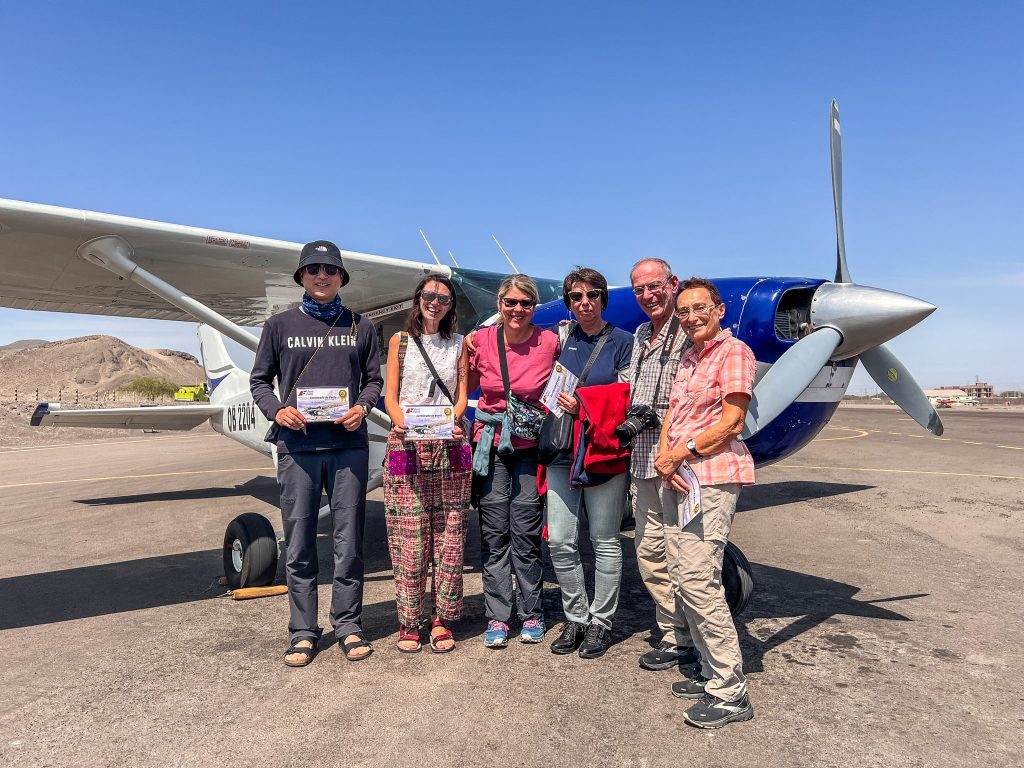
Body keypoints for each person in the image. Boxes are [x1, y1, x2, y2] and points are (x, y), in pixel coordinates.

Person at [250, 240, 383, 667]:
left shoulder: (360, 325)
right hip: (299, 447)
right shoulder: (279, 325)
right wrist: (279, 409)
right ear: (301, 278)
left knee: (349, 542)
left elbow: (374, 381)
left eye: (330, 269)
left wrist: (362, 407)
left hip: (348, 448)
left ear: (342, 277)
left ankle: (347, 624)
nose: (321, 276)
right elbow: (259, 381)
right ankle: (303, 631)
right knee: (301, 543)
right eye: (313, 270)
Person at [654, 277, 756, 728]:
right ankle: (706, 665)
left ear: (719, 310)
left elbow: (731, 422)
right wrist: (665, 457)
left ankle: (730, 691)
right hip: (679, 478)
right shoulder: (687, 358)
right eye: (683, 311)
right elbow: (672, 417)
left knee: (698, 579)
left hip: (711, 477)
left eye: (700, 308)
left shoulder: (733, 353)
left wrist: (680, 454)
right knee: (682, 573)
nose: (691, 317)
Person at [545, 267, 634, 659]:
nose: (585, 303)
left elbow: (626, 397)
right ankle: (576, 616)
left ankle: (601, 622)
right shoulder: (561, 338)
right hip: (562, 452)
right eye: (576, 297)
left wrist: (583, 402)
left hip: (601, 453)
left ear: (603, 299)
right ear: (568, 302)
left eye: (593, 295)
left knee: (605, 540)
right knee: (562, 540)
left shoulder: (624, 342)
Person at [468, 274, 560, 648]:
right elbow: (462, 383)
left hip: (529, 448)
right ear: (499, 305)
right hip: (490, 446)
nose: (518, 309)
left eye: (526, 303)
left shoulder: (550, 342)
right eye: (511, 303)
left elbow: (564, 385)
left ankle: (532, 613)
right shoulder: (480, 341)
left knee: (524, 532)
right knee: (494, 534)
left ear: (534, 307)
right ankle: (498, 617)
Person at [382, 274, 471, 654]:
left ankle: (441, 618)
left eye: (444, 299)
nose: (436, 302)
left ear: (451, 306)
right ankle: (409, 619)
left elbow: (462, 396)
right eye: (430, 295)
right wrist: (401, 421)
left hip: (449, 445)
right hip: (406, 445)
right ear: (418, 298)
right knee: (410, 538)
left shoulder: (459, 345)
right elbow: (391, 395)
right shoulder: (399, 343)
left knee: (450, 537)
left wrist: (454, 421)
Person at [625, 258, 700, 672]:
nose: (648, 296)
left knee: (682, 555)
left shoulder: (691, 330)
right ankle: (674, 636)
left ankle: (692, 638)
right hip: (642, 461)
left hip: (678, 464)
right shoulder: (639, 335)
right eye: (639, 290)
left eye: (655, 286)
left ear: (673, 284)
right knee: (650, 554)